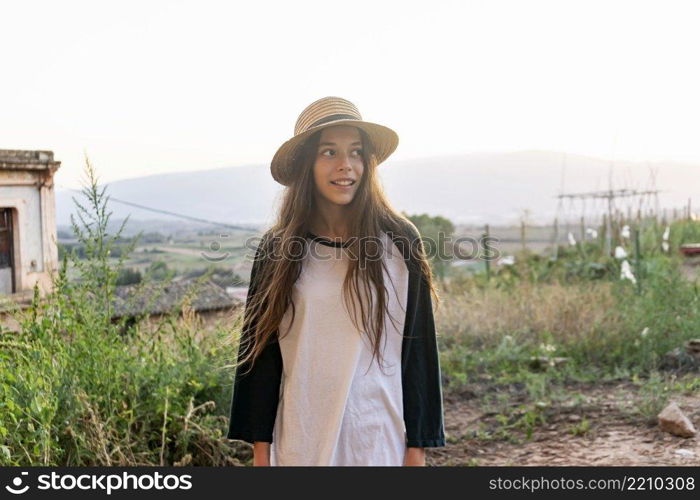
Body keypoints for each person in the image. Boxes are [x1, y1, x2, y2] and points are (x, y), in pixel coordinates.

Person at [227, 96, 445, 466]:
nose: (346, 166)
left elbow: (419, 351)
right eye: (329, 152)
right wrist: (261, 454)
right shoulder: (278, 250)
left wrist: (417, 447)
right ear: (306, 164)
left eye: (356, 152)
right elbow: (260, 361)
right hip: (300, 440)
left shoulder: (399, 241)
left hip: (378, 440)